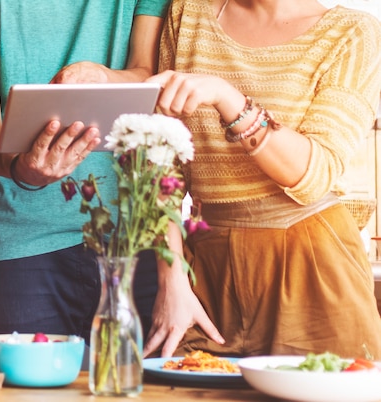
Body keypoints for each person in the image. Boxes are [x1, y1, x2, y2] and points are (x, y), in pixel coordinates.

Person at [0, 0, 224, 356]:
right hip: (19, 245)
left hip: (132, 243)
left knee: (133, 391)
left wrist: (104, 76)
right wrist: (21, 168)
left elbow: (149, 73)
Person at [146, 0, 381, 358]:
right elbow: (160, 166)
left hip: (313, 264)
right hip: (207, 269)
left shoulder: (353, 33)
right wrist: (172, 278)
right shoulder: (188, 13)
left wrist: (229, 99)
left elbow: (316, 173)